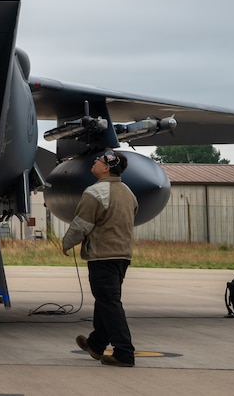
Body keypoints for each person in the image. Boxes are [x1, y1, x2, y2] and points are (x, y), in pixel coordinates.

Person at [62, 149, 138, 367]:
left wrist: (67, 243)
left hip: (102, 256)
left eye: (100, 160)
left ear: (106, 168)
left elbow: (81, 225)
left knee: (110, 303)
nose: (95, 161)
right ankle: (96, 344)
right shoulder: (127, 192)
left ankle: (124, 353)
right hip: (122, 255)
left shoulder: (95, 192)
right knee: (105, 301)